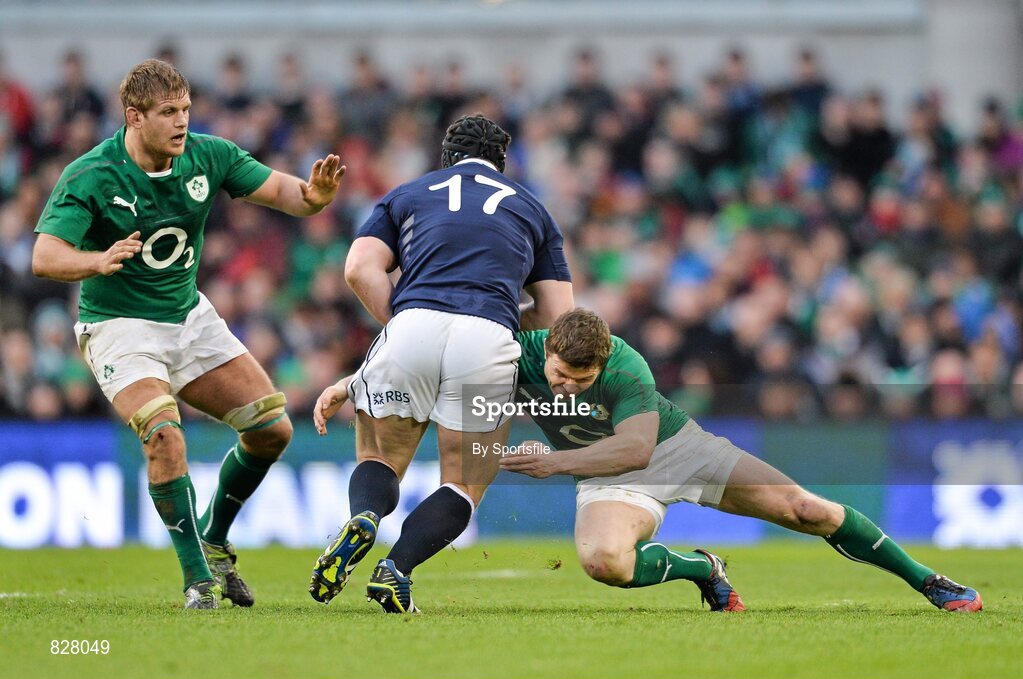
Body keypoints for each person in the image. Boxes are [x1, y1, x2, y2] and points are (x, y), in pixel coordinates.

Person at [32, 59, 345, 609]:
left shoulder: (209, 155)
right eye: (168, 113)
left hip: (188, 317)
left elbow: (286, 193)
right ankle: (197, 578)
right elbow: (44, 256)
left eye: (186, 110)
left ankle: (215, 538)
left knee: (272, 429)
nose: (182, 122)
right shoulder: (92, 174)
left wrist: (314, 197)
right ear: (134, 117)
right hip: (119, 327)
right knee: (164, 436)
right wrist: (96, 259)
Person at [498, 308, 981, 612]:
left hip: (677, 449)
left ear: (602, 365)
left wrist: (555, 463)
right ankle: (702, 569)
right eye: (558, 375)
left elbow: (638, 449)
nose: (564, 387)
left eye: (580, 382)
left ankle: (928, 580)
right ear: (550, 348)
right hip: (607, 475)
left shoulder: (627, 366)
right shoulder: (517, 355)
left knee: (807, 510)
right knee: (605, 563)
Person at [310, 113, 574, 613]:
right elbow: (559, 313)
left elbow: (358, 268)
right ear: (501, 162)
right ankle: (396, 568)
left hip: (412, 325)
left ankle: (365, 517)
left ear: (447, 158)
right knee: (464, 481)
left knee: (379, 460)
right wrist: (496, 321)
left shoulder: (409, 193)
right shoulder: (534, 209)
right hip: (490, 333)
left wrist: (404, 320)